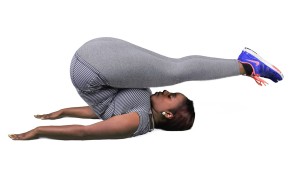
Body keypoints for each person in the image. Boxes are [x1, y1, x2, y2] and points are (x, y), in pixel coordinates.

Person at [8, 37, 284, 140]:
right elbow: (98, 111)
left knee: (174, 71)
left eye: (171, 98)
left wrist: (40, 131)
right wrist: (60, 112)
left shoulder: (135, 121)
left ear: (168, 115)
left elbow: (86, 131)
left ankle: (247, 66)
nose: (165, 93)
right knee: (173, 67)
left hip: (93, 66)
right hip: (97, 59)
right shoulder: (137, 108)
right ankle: (244, 65)